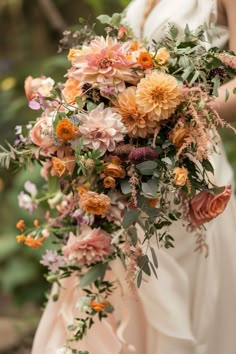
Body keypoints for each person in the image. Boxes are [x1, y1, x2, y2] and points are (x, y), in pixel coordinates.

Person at [32, 1, 236, 353]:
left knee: (173, 291)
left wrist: (178, 111)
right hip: (125, 162)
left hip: (185, 164)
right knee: (114, 280)